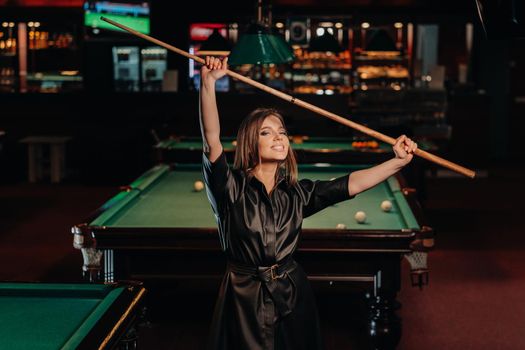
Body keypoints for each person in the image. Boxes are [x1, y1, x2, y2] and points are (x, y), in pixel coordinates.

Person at [200, 56, 418, 350]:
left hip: (292, 292)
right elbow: (212, 140)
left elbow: (350, 184)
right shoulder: (229, 187)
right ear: (251, 141)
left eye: (282, 132)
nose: (278, 138)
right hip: (243, 296)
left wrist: (397, 162)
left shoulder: (297, 193)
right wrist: (209, 83)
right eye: (266, 132)